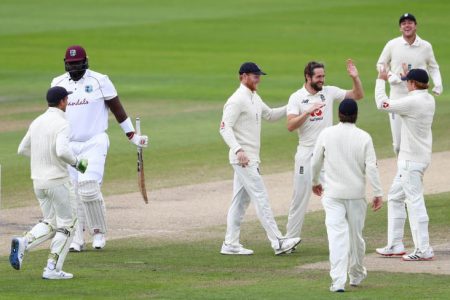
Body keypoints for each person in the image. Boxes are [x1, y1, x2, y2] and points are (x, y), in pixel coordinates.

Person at [50, 45, 149, 252]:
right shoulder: (57, 83)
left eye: (78, 64)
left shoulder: (100, 81)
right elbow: (54, 117)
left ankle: (98, 232)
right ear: (66, 64)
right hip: (69, 144)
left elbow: (117, 109)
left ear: (86, 62)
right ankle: (76, 238)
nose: (75, 67)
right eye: (71, 64)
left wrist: (132, 135)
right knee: (73, 192)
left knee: (88, 187)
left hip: (94, 142)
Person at [219, 62, 300, 255]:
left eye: (259, 76)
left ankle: (230, 243)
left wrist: (294, 105)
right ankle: (277, 241)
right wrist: (238, 150)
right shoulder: (237, 100)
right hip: (243, 158)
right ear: (243, 76)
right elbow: (224, 127)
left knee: (239, 202)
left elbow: (270, 115)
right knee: (260, 197)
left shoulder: (254, 97)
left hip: (251, 158)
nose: (258, 79)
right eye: (255, 76)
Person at [10, 86, 88, 279]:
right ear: (62, 102)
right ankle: (52, 268)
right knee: (68, 225)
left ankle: (24, 242)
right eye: (66, 100)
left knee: (51, 222)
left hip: (38, 182)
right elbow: (62, 151)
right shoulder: (62, 123)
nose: (67, 103)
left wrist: (43, 159)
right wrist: (77, 163)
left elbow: (22, 149)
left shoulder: (37, 121)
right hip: (57, 181)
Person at [284, 59, 364, 244]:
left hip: (328, 155)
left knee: (334, 196)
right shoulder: (297, 97)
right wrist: (307, 113)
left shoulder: (328, 92)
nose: (322, 80)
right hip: (306, 153)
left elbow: (357, 95)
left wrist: (355, 77)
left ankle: (343, 238)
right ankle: (289, 240)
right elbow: (289, 125)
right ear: (308, 77)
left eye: (323, 76)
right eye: (318, 77)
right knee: (299, 199)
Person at [311, 99, 383, 292]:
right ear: (356, 115)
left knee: (337, 237)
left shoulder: (327, 133)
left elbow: (315, 161)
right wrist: (377, 192)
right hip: (356, 195)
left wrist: (314, 181)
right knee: (355, 236)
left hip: (333, 194)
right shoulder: (364, 137)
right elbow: (372, 167)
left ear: (339, 114)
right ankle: (356, 274)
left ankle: (338, 281)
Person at [375, 68, 435, 261]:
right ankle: (395, 244)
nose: (405, 83)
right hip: (417, 159)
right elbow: (408, 90)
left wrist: (380, 80)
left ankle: (423, 249)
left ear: (412, 83)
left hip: (411, 162)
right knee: (394, 197)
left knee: (414, 202)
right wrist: (397, 77)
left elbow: (382, 104)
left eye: (407, 81)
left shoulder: (412, 101)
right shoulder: (427, 99)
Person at [376, 13, 442, 155]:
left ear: (416, 26)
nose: (407, 25)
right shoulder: (392, 44)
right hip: (397, 97)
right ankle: (403, 172)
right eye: (403, 23)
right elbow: (380, 64)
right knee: (398, 145)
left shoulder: (425, 46)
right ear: (400, 28)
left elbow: (433, 67)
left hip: (419, 97)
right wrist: (390, 76)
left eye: (410, 22)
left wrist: (438, 83)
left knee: (419, 139)